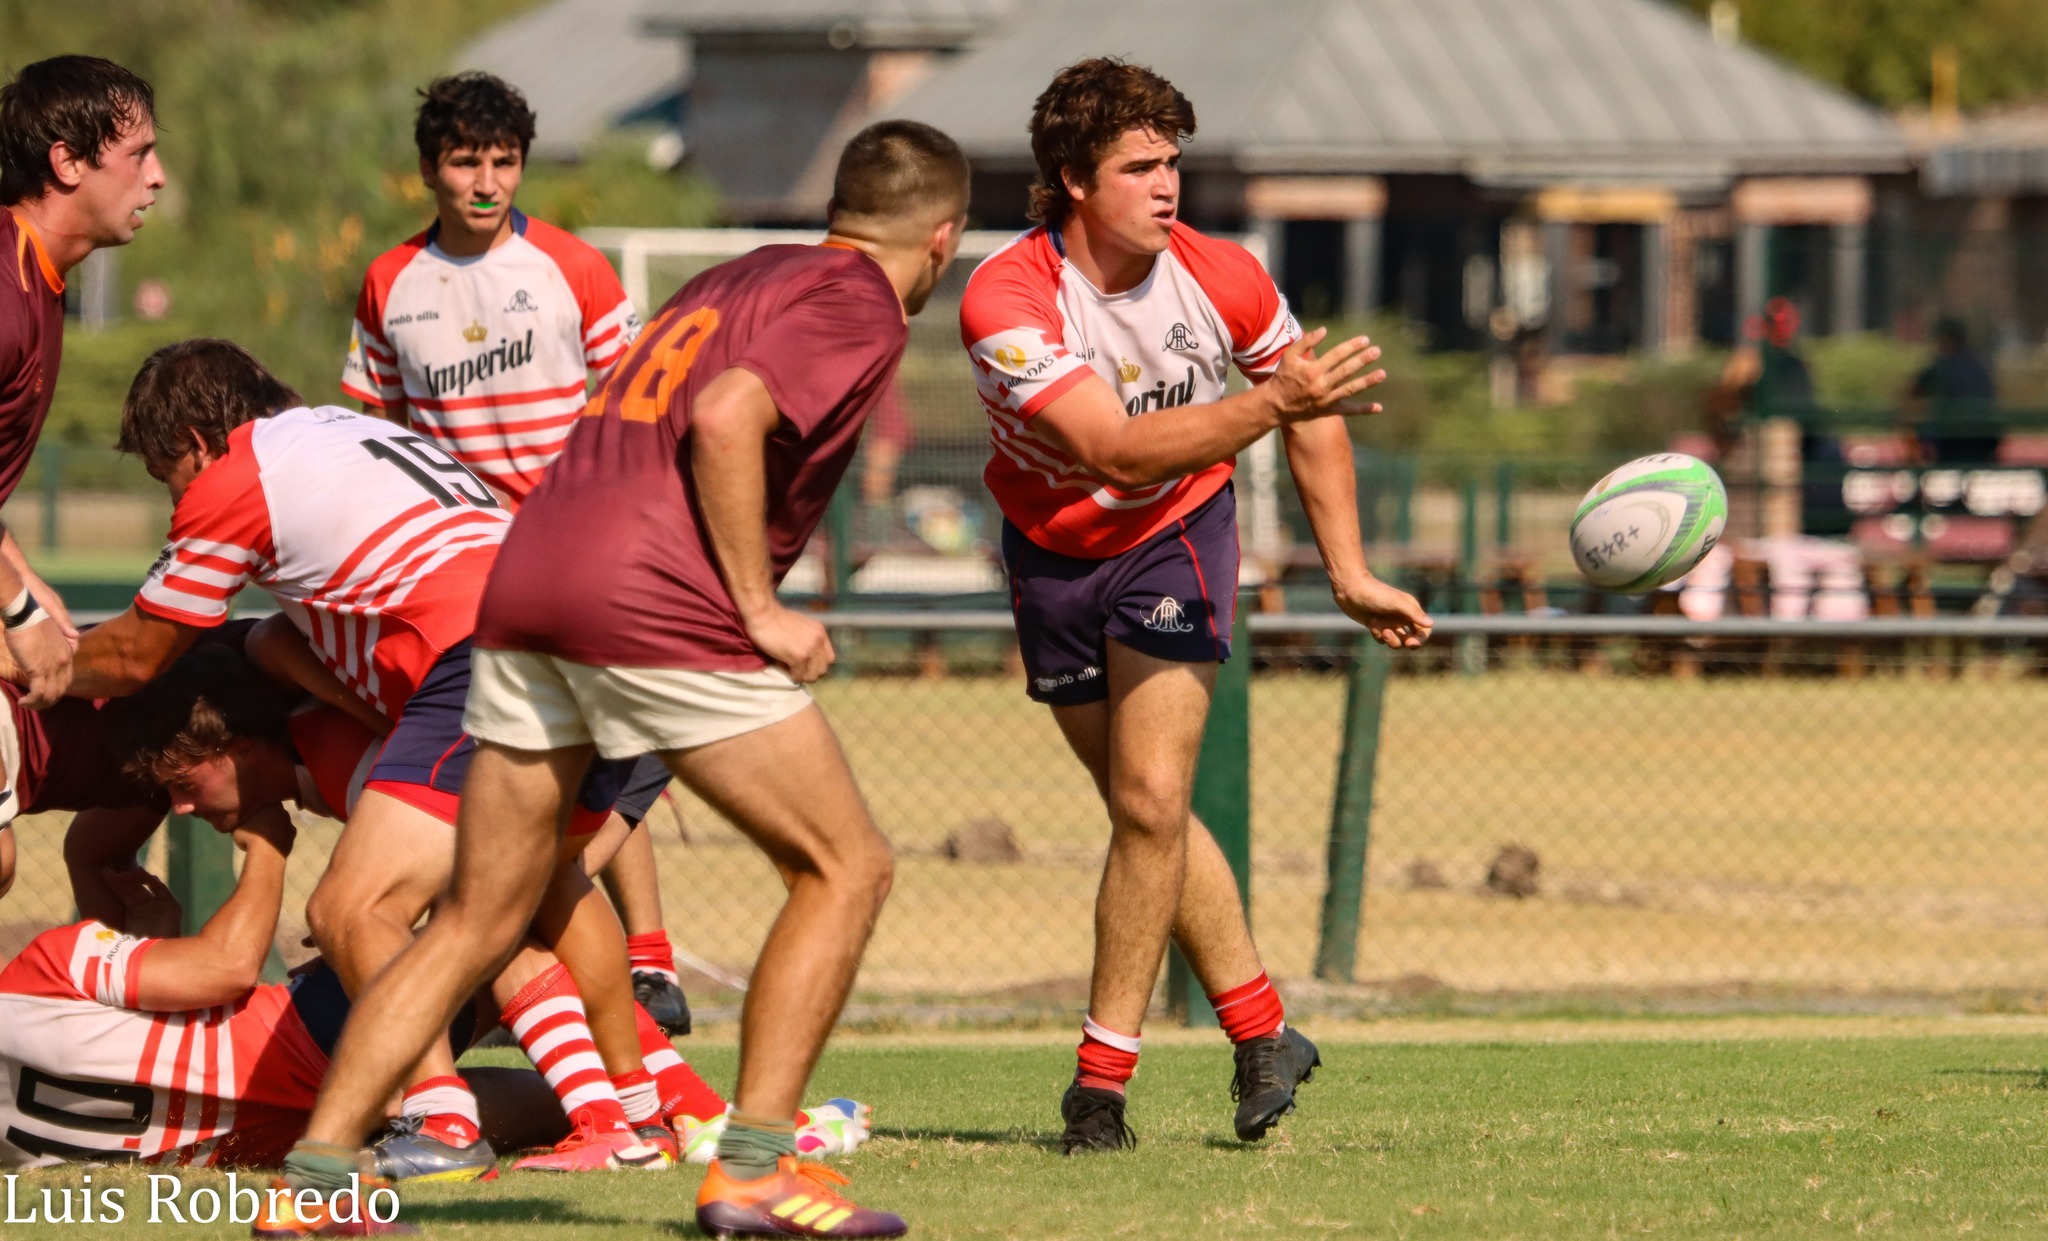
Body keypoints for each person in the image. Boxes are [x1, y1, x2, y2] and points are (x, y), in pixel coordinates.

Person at [279, 118, 970, 1240]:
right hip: (646, 594)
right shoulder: (860, 301)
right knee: (846, 865)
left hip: (526, 577)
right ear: (942, 238)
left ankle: (318, 1182)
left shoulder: (739, 274)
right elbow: (727, 417)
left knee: (477, 914)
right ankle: (752, 1171)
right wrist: (758, 608)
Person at [958, 57, 1429, 1155]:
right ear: (1074, 181)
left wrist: (1349, 570)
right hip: (1051, 554)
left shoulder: (1222, 273)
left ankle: (1098, 1090)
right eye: (1138, 167)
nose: (1166, 184)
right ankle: (1265, 1030)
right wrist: (1273, 401)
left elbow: (1312, 412)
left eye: (1173, 161)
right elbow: (1111, 449)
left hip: (1176, 534)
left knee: (1149, 797)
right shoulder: (1006, 297)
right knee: (1147, 815)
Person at [64, 342, 666, 1183]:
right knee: (544, 887)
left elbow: (138, 651)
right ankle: (635, 1115)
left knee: (351, 907)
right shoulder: (352, 433)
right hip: (588, 623)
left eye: (169, 476)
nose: (177, 499)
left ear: (197, 443)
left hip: (487, 648)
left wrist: (34, 661)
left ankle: (442, 1118)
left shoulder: (241, 473)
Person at [340, 72, 683, 1025]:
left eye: (505, 161)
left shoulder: (572, 266)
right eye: (465, 162)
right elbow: (376, 427)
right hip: (455, 562)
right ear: (428, 171)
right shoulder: (389, 281)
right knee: (511, 758)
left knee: (598, 747)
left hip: (571, 547)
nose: (487, 182)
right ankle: (504, 938)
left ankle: (648, 962)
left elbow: (640, 404)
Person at [0, 55, 166, 707]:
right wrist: (18, 612)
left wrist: (21, 576)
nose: (157, 176)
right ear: (68, 163)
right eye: (139, 154)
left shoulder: (37, 278)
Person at [1907, 316, 2000, 465]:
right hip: (1985, 439)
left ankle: (1917, 469)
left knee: (1914, 423)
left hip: (1951, 440)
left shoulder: (1941, 365)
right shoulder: (1979, 365)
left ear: (1945, 338)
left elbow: (1912, 392)